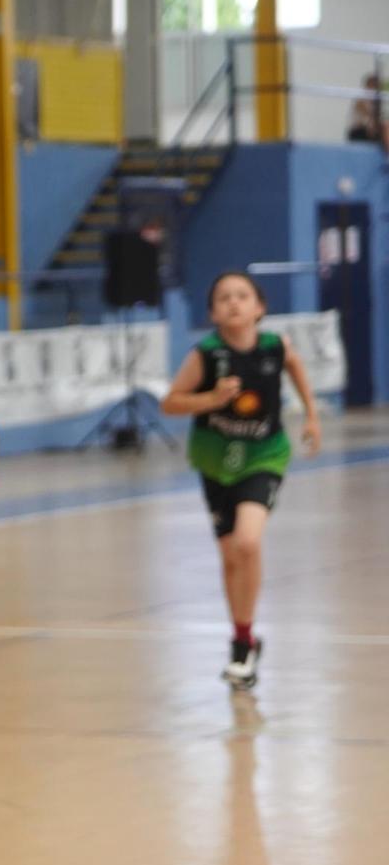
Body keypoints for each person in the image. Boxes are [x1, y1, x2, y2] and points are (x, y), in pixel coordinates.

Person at [161, 270, 322, 689]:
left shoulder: (274, 346)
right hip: (215, 462)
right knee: (231, 556)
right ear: (213, 312)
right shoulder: (207, 355)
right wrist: (210, 399)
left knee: (248, 542)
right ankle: (244, 639)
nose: (233, 302)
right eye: (224, 297)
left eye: (242, 295)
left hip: (264, 455)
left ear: (259, 307)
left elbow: (297, 367)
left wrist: (312, 416)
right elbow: (171, 403)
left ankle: (241, 645)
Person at [345, 75, 389, 154]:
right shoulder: (361, 101)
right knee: (385, 127)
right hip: (357, 133)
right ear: (368, 86)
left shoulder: (374, 103)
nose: (376, 89)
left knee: (385, 126)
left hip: (368, 131)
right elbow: (369, 119)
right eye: (374, 86)